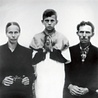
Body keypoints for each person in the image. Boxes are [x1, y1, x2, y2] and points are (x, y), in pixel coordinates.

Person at [29, 9, 70, 98]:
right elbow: (33, 60)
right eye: (47, 20)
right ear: (42, 22)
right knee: (41, 93)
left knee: (56, 93)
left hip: (56, 72)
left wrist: (52, 50)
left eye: (52, 20)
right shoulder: (36, 38)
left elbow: (66, 60)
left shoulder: (62, 38)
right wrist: (43, 50)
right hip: (42, 73)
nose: (49, 23)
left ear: (56, 22)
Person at [0, 22, 36, 98]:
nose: (13, 35)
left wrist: (28, 79)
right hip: (4, 93)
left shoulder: (27, 52)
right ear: (6, 33)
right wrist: (2, 80)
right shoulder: (0, 50)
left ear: (19, 33)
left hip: (22, 92)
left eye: (16, 32)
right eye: (10, 32)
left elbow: (32, 73)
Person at [63, 21, 98, 98]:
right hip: (70, 94)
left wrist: (88, 89)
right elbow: (63, 72)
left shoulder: (97, 52)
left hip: (91, 94)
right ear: (77, 33)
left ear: (92, 34)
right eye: (81, 32)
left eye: (87, 32)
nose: (84, 35)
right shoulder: (69, 51)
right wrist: (69, 86)